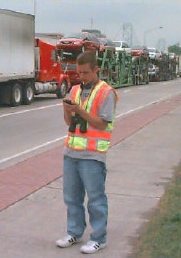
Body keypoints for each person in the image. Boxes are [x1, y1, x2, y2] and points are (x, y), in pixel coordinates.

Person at [56, 51, 118, 254]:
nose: (82, 76)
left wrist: (80, 111)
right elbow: (69, 123)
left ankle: (99, 237)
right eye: (79, 72)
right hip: (71, 152)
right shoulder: (74, 90)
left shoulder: (106, 92)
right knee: (71, 197)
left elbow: (101, 123)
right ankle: (74, 232)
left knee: (96, 199)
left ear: (96, 70)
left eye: (85, 72)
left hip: (92, 156)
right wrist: (66, 109)